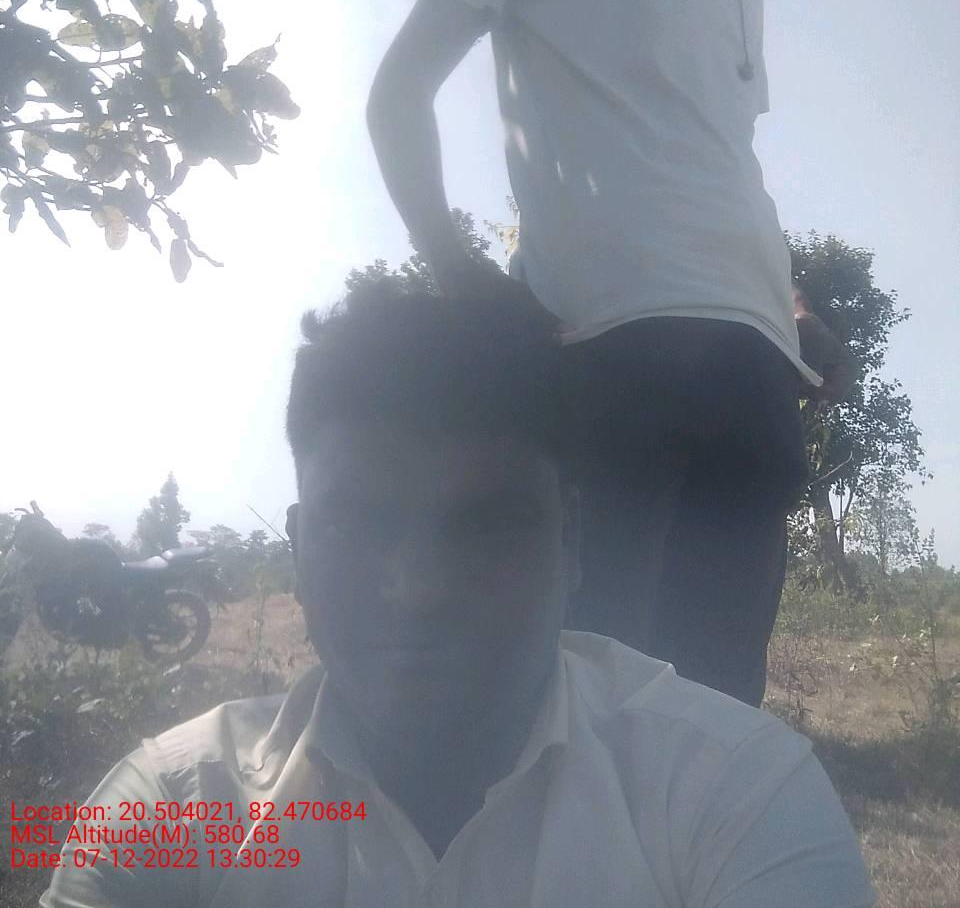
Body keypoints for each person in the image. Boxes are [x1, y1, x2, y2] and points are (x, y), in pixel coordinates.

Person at [39, 285, 876, 907]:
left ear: (572, 543)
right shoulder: (176, 809)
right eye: (359, 524)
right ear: (298, 548)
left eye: (490, 526)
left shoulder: (732, 791)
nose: (420, 590)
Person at [366, 0, 830, 705]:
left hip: (756, 359)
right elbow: (398, 92)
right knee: (582, 692)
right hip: (602, 344)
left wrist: (794, 306)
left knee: (716, 709)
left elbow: (717, 159)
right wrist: (458, 272)